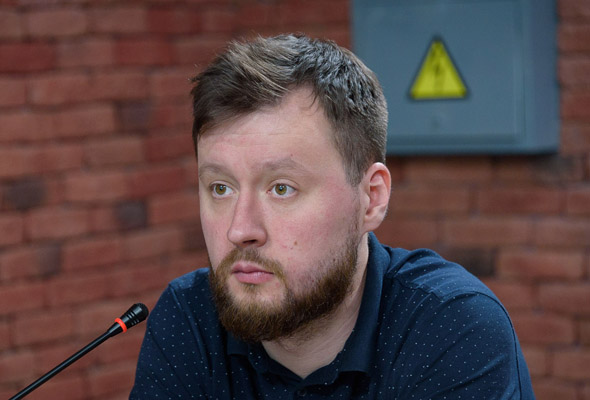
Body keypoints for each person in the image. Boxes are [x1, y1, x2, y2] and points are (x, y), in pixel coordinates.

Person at [129, 34, 534, 399]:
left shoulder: (452, 328)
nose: (240, 230)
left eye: (282, 188)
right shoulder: (189, 319)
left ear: (371, 198)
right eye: (221, 188)